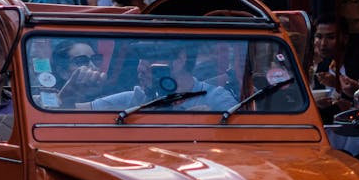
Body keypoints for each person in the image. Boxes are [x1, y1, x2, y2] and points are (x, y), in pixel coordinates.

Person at [60, 40, 238, 113]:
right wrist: (69, 93)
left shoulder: (216, 99)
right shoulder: (138, 98)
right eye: (139, 59)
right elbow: (69, 110)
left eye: (149, 59)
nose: (140, 68)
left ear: (179, 60)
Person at [310, 14, 359, 98]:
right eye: (319, 37)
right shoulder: (322, 67)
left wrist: (336, 83)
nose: (323, 43)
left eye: (331, 37)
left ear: (345, 39)